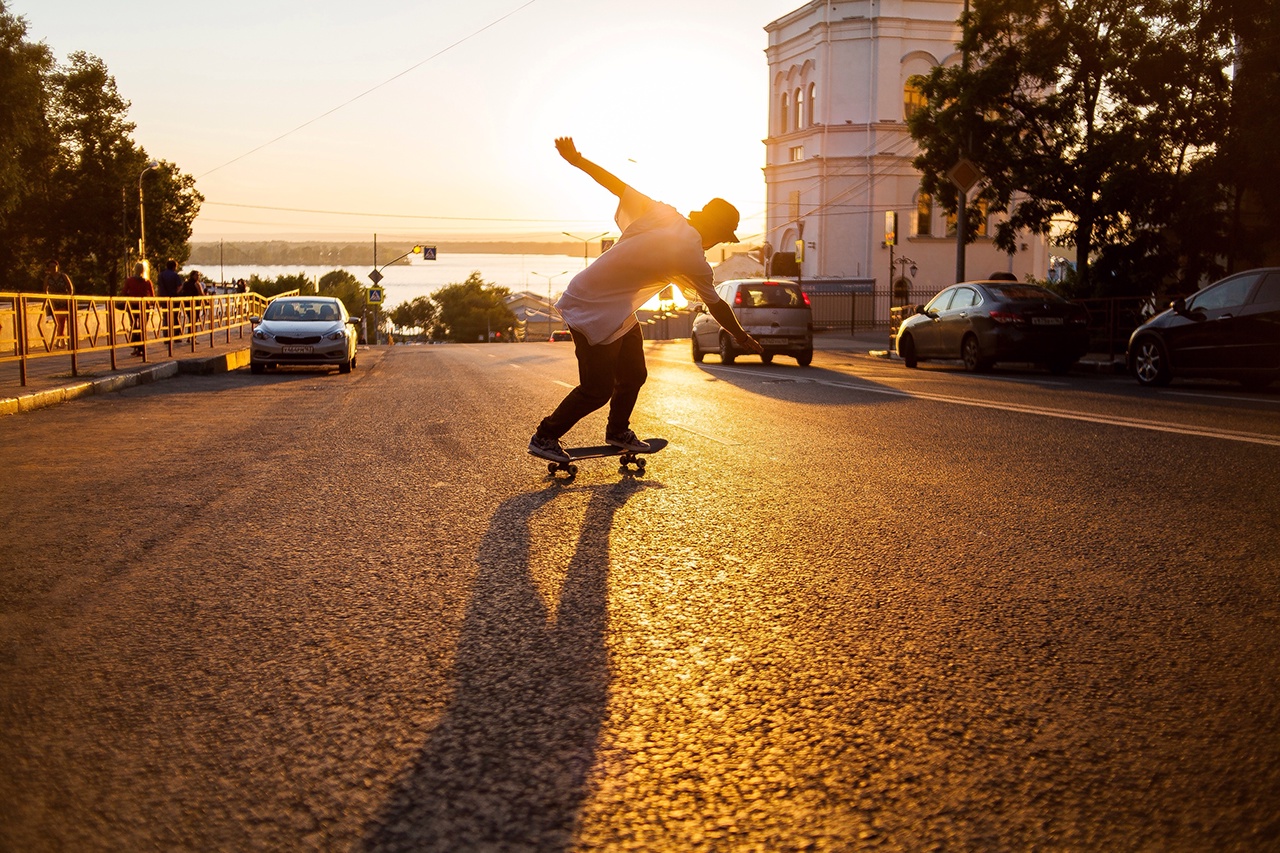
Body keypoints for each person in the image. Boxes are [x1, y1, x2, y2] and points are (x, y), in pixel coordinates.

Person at [528, 137, 763, 464]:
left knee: (634, 374)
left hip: (617, 310)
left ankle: (617, 431)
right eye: (721, 238)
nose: (715, 245)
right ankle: (545, 435)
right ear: (715, 231)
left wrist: (578, 160)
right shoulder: (692, 257)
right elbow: (718, 305)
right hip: (592, 307)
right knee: (597, 390)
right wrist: (740, 336)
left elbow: (617, 186)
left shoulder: (664, 214)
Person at [121, 261, 155, 355]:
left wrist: (130, 295)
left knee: (134, 325)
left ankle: (135, 346)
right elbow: (152, 295)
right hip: (144, 306)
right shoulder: (147, 281)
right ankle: (142, 347)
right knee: (142, 326)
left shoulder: (129, 280)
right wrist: (153, 305)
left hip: (132, 305)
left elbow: (124, 292)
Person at [42, 260, 74, 348]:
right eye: (51, 267)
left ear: (57, 267)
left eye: (54, 266)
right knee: (58, 322)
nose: (53, 268)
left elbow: (70, 287)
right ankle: (61, 341)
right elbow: (45, 289)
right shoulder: (48, 278)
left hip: (64, 301)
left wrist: (68, 297)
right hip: (54, 302)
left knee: (62, 321)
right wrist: (48, 299)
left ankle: (58, 341)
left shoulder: (63, 276)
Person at [158, 259, 182, 339]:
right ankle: (176, 335)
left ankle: (166, 334)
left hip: (164, 298)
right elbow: (179, 287)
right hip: (174, 299)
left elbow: (159, 287)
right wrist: (176, 293)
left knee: (165, 316)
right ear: (174, 267)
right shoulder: (175, 275)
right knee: (175, 316)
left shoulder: (161, 275)